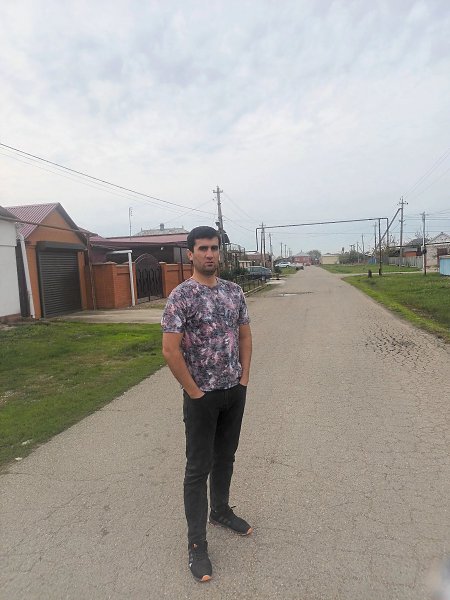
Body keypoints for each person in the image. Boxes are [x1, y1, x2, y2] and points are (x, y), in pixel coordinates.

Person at [161, 225, 253, 582]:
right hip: (201, 397)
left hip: (233, 391)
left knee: (225, 457)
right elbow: (170, 350)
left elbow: (244, 336)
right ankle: (197, 544)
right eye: (202, 248)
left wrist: (243, 380)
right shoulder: (181, 296)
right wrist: (194, 393)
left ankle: (221, 511)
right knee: (198, 468)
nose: (210, 254)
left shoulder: (234, 291)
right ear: (191, 254)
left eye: (214, 248)